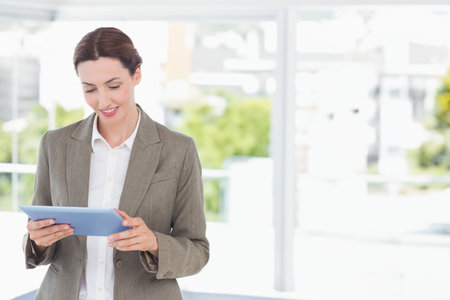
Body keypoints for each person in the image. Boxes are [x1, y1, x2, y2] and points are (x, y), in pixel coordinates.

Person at [23, 27, 209, 300]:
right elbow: (38, 234)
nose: (103, 101)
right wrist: (37, 242)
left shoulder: (178, 149)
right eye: (90, 89)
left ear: (137, 74)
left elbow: (197, 251)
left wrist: (154, 243)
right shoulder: (55, 144)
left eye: (113, 86)